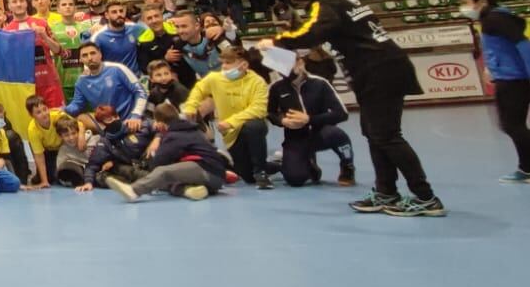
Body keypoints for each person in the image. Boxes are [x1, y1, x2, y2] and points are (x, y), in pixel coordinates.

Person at [264, 0, 444, 217]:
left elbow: (310, 33)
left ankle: (425, 197)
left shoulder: (326, 4)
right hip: (381, 70)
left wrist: (276, 41)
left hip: (379, 72)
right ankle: (386, 192)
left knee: (387, 136)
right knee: (374, 133)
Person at [459, 0, 530, 184]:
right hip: (509, 78)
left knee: (511, 127)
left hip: (513, 81)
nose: (462, 8)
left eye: (465, 2)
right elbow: (501, 47)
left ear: (481, 1)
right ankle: (528, 169)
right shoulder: (493, 18)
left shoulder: (495, 19)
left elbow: (525, 45)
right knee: (516, 126)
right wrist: (491, 67)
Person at [182, 44, 271, 189]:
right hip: (229, 133)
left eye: (228, 63)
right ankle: (278, 165)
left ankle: (261, 172)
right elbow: (198, 89)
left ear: (244, 65)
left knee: (255, 125)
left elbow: (258, 109)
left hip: (247, 126)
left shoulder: (257, 82)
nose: (224, 67)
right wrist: (191, 105)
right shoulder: (215, 78)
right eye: (222, 62)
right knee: (247, 176)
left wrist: (231, 122)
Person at [106, 104, 228, 203]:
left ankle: (133, 191)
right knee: (165, 178)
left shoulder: (173, 135)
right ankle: (188, 190)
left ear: (160, 122)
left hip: (206, 171)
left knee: (162, 172)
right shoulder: (191, 129)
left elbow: (159, 162)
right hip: (214, 178)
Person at [267, 52, 354, 187]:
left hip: (320, 133)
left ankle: (347, 165)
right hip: (295, 138)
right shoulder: (276, 87)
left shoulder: (320, 83)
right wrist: (282, 121)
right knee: (294, 179)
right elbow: (271, 114)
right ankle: (309, 165)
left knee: (336, 134)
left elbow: (341, 114)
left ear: (300, 63)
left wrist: (309, 119)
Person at [64, 43, 146, 130]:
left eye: (93, 53)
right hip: (106, 124)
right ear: (80, 59)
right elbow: (77, 105)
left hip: (130, 121)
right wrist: (62, 110)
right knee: (82, 118)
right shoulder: (81, 82)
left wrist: (136, 115)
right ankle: (109, 134)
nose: (90, 58)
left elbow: (140, 92)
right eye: (85, 55)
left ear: (100, 54)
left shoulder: (117, 69)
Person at [91, 1, 150, 74]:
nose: (119, 14)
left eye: (121, 11)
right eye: (114, 12)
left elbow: (154, 31)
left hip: (136, 77)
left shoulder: (135, 28)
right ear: (106, 15)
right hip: (113, 79)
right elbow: (92, 60)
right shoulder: (98, 37)